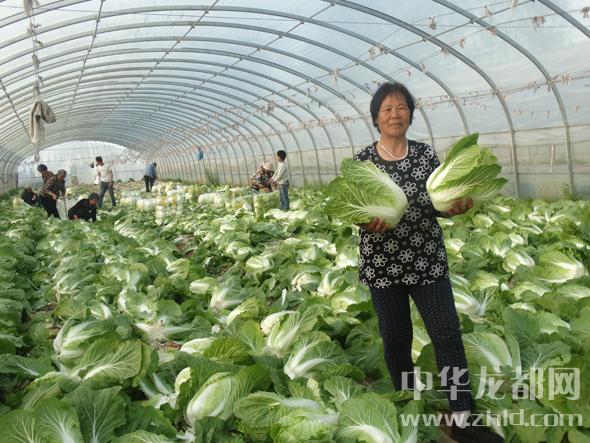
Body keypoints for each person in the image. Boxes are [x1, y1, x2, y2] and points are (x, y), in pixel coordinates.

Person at [353, 82, 502, 443]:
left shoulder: (424, 155)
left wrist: (454, 208)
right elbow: (354, 208)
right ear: (376, 117)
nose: (395, 114)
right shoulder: (363, 162)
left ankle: (463, 418)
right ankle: (408, 404)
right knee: (395, 339)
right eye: (387, 109)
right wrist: (365, 221)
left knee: (447, 334)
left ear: (411, 114)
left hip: (426, 260)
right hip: (383, 264)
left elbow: (438, 204)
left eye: (402, 107)